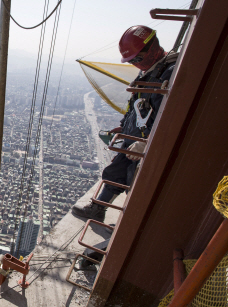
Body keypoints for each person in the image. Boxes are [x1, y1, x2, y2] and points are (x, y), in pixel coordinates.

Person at [72, 25, 178, 222]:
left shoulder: (170, 72)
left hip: (148, 141)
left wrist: (149, 144)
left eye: (137, 58)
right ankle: (98, 208)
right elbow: (137, 105)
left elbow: (173, 116)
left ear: (152, 47)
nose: (136, 64)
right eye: (132, 61)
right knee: (115, 171)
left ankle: (133, 221)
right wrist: (124, 126)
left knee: (136, 181)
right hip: (136, 136)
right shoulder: (151, 70)